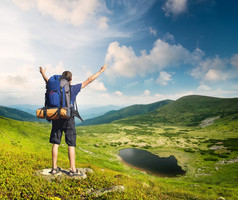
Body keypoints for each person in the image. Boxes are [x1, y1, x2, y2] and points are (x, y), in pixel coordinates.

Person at [39, 64, 107, 176]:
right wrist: (101, 71)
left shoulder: (55, 87)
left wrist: (42, 73)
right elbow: (89, 80)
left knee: (56, 143)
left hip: (56, 115)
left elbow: (47, 81)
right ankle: (72, 170)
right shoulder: (73, 88)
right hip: (68, 118)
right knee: (71, 144)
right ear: (70, 79)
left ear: (61, 79)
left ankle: (54, 168)